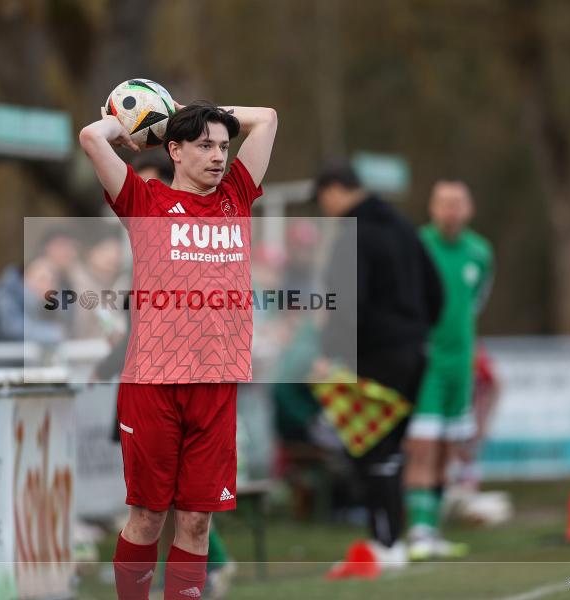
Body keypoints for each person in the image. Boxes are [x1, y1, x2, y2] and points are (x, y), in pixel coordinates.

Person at [80, 100, 277, 599]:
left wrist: (191, 110)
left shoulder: (235, 196)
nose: (217, 156)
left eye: (223, 147)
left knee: (196, 524)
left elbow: (268, 117)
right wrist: (143, 126)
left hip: (216, 385)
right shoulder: (144, 202)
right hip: (153, 384)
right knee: (147, 516)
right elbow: (91, 137)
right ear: (174, 149)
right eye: (204, 145)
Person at [315, 161, 443, 571]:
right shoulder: (406, 228)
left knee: (371, 448)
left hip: (374, 355)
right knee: (391, 450)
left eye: (323, 201)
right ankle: (391, 540)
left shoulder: (352, 233)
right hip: (415, 352)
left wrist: (331, 352)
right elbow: (436, 289)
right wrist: (418, 331)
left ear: (334, 190)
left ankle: (385, 542)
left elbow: (347, 302)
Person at [405, 179, 494, 560]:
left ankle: (433, 527)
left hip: (461, 365)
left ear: (469, 209)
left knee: (447, 449)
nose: (451, 210)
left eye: (457, 203)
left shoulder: (481, 253)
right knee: (422, 447)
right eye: (444, 203)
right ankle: (418, 530)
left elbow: (474, 303)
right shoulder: (418, 246)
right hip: (427, 363)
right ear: (432, 208)